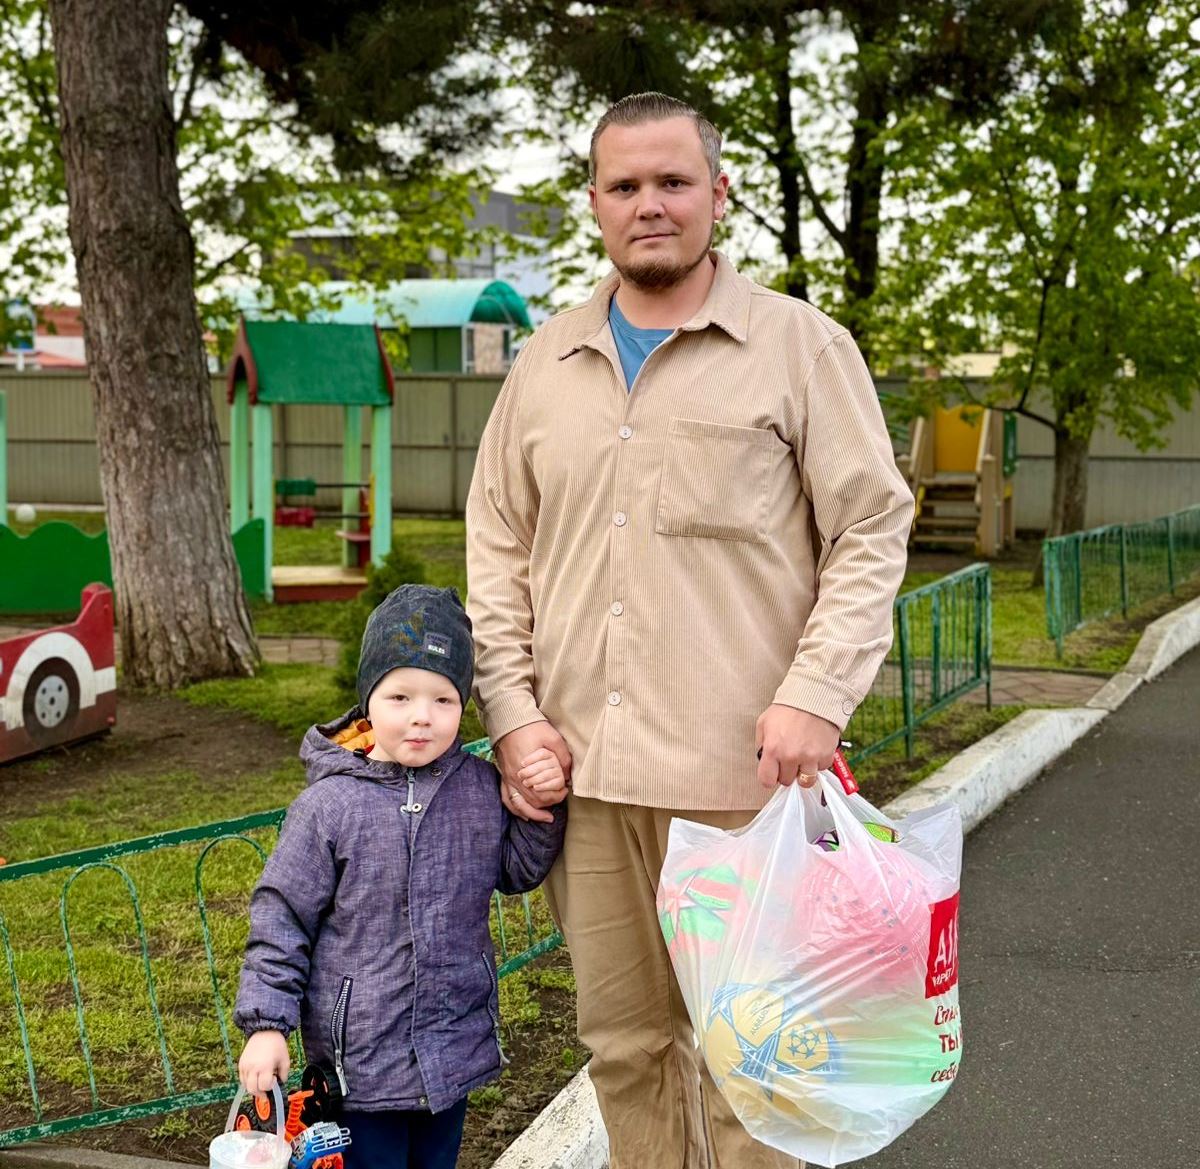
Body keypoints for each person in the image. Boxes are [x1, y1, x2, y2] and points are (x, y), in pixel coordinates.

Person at [465, 92, 915, 1169]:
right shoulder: (544, 365)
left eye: (673, 182)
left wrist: (817, 693)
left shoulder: (799, 349)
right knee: (622, 1046)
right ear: (595, 205)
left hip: (741, 788)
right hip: (586, 782)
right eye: (625, 186)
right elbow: (497, 552)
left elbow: (871, 525)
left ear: (720, 193)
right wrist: (515, 715)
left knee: (755, 1056)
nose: (649, 205)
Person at [233, 584, 567, 1169]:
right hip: (359, 1064)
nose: (421, 717)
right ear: (368, 703)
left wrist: (539, 812)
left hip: (452, 1050)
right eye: (400, 696)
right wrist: (266, 1026)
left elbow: (515, 870)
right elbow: (283, 916)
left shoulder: (478, 789)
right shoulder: (329, 807)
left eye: (443, 699)